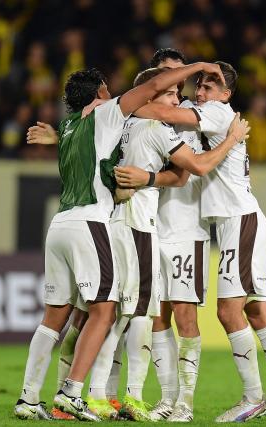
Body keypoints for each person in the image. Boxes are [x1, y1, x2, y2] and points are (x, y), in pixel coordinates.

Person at [13, 62, 226, 421]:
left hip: (59, 226)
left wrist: (52, 137)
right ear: (99, 93)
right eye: (107, 89)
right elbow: (154, 87)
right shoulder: (110, 115)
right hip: (92, 223)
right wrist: (200, 66)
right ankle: (75, 392)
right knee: (107, 310)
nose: (113, 94)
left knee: (55, 317)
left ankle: (28, 399)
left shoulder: (68, 127)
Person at [116, 61, 266, 423]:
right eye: (200, 85)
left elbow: (158, 109)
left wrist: (127, 104)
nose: (201, 91)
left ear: (226, 94)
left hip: (240, 220)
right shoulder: (215, 116)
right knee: (256, 311)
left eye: (210, 86)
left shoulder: (219, 113)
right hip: (230, 224)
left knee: (228, 311)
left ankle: (255, 397)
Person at [85, 66, 248, 422]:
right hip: (149, 227)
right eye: (172, 86)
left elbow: (190, 170)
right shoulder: (155, 121)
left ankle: (183, 404)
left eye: (182, 85)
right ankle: (159, 399)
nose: (182, 91)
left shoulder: (196, 118)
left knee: (178, 314)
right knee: (149, 316)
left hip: (186, 230)